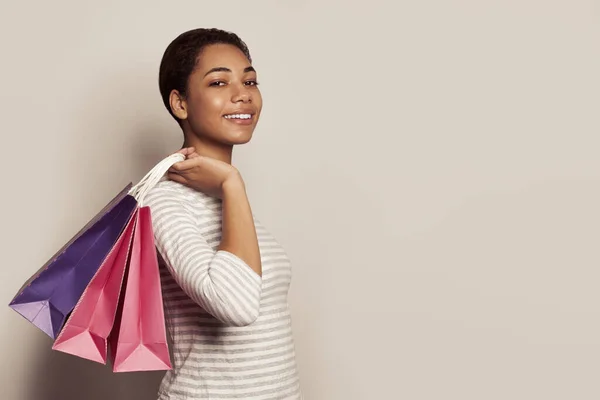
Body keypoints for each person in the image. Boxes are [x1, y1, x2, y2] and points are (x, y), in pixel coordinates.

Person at [144, 28, 302, 399]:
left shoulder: (224, 200)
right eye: (218, 82)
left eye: (250, 80)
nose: (243, 93)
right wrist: (232, 184)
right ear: (180, 104)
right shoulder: (167, 202)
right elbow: (238, 305)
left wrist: (229, 190)